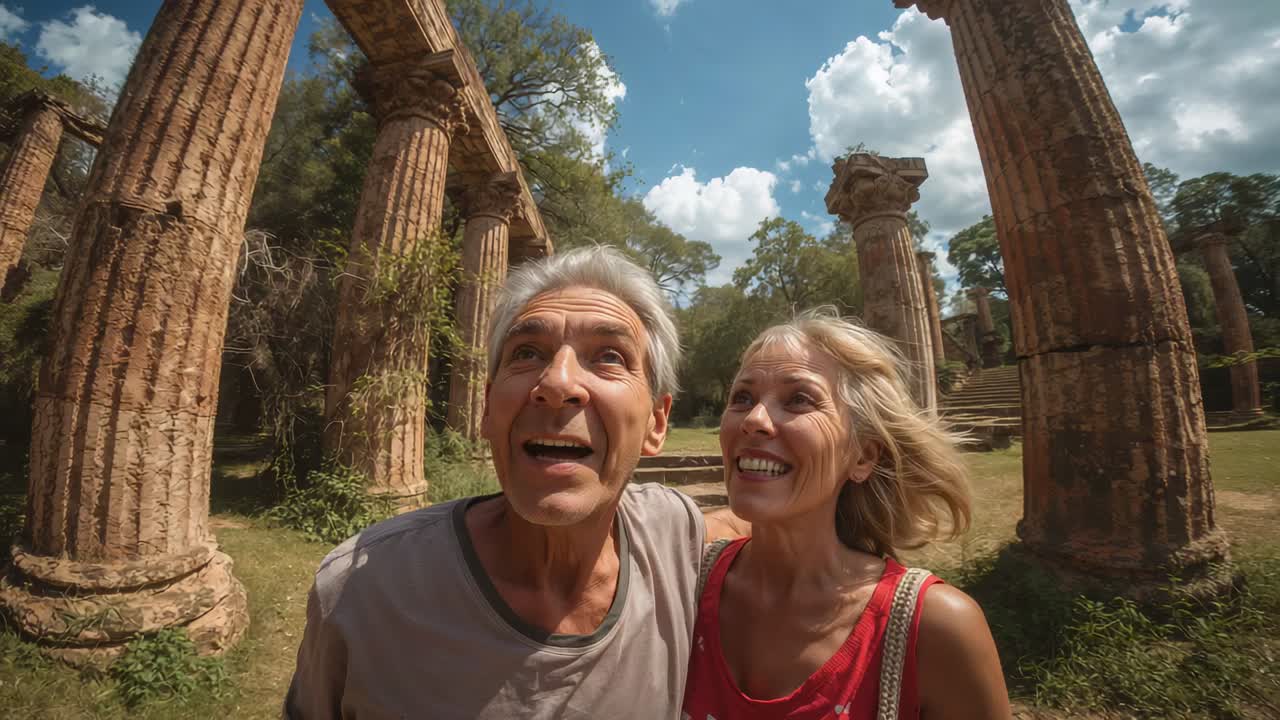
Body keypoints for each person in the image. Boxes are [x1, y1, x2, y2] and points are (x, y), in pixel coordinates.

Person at [285, 246, 744, 719]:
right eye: (527, 353)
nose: (557, 382)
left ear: (656, 423)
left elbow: (737, 523)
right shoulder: (362, 591)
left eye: (609, 355)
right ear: (486, 408)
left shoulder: (670, 531)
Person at [682, 309, 1010, 720]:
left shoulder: (936, 629)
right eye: (742, 398)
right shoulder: (683, 584)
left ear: (863, 456)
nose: (754, 420)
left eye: (799, 399)